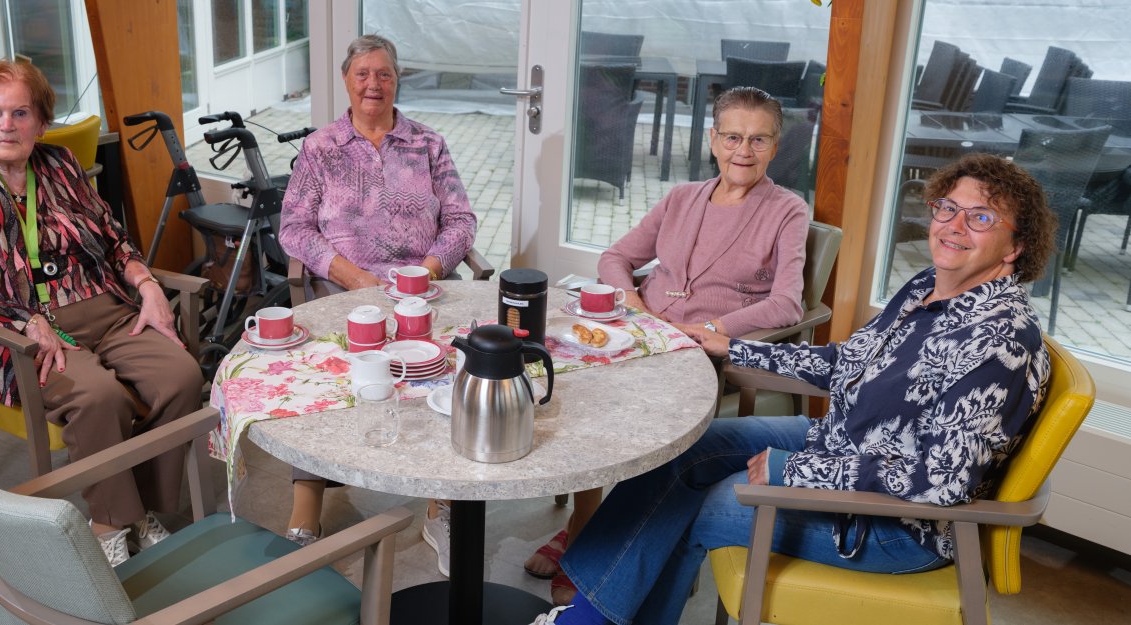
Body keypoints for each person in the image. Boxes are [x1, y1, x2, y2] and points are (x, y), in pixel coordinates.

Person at [529, 152, 1057, 625]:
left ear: (1016, 246)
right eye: (948, 208)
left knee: (698, 502)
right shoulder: (927, 289)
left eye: (981, 218)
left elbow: (941, 483)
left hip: (895, 525)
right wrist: (731, 347)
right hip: (840, 444)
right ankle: (591, 611)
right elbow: (847, 362)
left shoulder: (999, 341)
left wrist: (797, 471)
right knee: (682, 452)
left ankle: (584, 620)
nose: (954, 226)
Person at [0, 60, 203, 567]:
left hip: (104, 308)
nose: (7, 125)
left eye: (21, 113)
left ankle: (138, 512)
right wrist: (23, 319)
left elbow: (112, 238)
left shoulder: (61, 164)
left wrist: (148, 284)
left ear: (41, 122)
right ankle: (111, 525)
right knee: (97, 396)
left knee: (182, 376)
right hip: (18, 331)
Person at [527, 86, 809, 603]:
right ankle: (587, 521)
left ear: (775, 146)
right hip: (642, 331)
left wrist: (714, 329)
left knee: (620, 402)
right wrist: (636, 304)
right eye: (732, 137)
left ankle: (598, 538)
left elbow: (788, 303)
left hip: (703, 352)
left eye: (758, 139)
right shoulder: (682, 198)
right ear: (713, 140)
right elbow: (615, 258)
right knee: (574, 387)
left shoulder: (788, 210)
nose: (743, 151)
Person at [277, 34, 477, 575]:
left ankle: (442, 503)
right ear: (346, 80)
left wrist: (426, 270)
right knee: (320, 373)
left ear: (396, 80)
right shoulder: (321, 148)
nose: (373, 84)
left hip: (423, 291)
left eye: (383, 73)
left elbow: (461, 221)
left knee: (448, 369)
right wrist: (356, 278)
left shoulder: (427, 143)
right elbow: (294, 228)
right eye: (362, 73)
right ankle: (306, 506)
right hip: (345, 290)